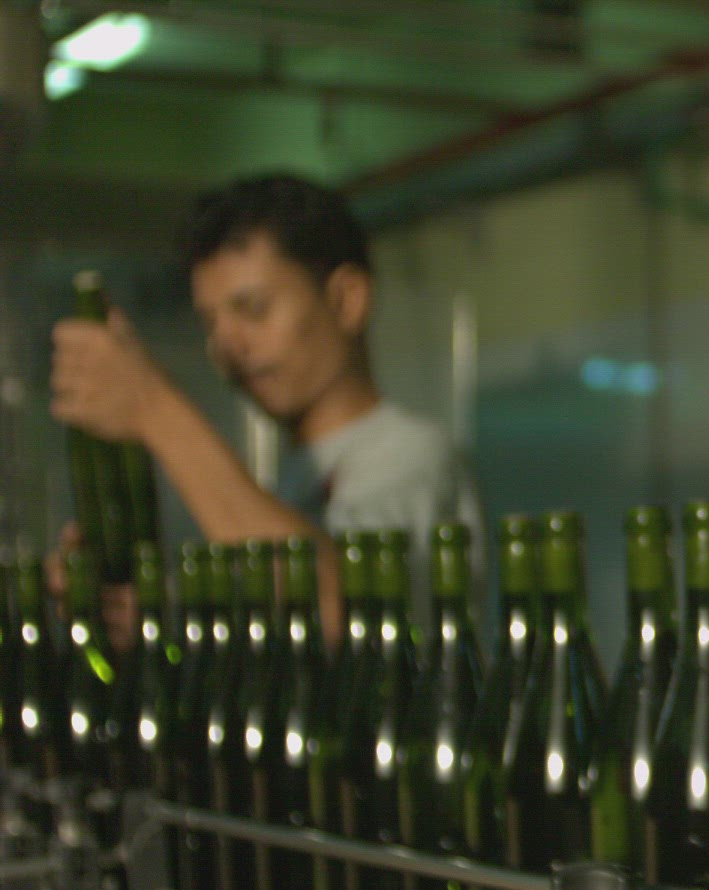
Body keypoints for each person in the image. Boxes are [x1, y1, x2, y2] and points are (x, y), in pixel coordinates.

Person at [49, 173, 482, 639]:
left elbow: (341, 609)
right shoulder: (289, 484)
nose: (226, 346)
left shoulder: (415, 457)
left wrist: (153, 409)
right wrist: (143, 618)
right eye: (211, 323)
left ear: (346, 300)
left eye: (253, 309)